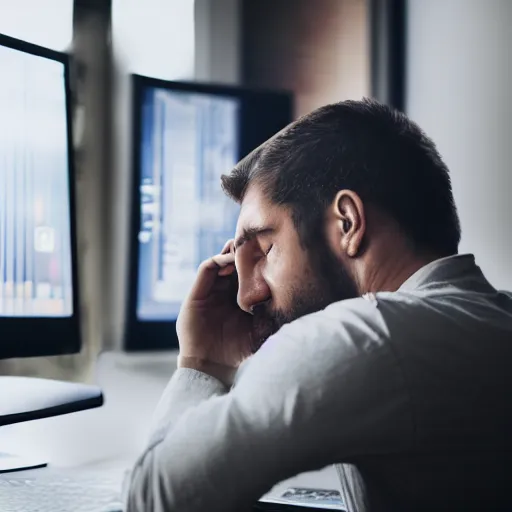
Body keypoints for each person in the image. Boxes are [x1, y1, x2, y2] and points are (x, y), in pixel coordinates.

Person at [125, 99, 512, 512]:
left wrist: (201, 362)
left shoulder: (370, 335)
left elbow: (155, 500)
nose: (245, 295)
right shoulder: (491, 317)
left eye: (265, 247)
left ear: (348, 223)